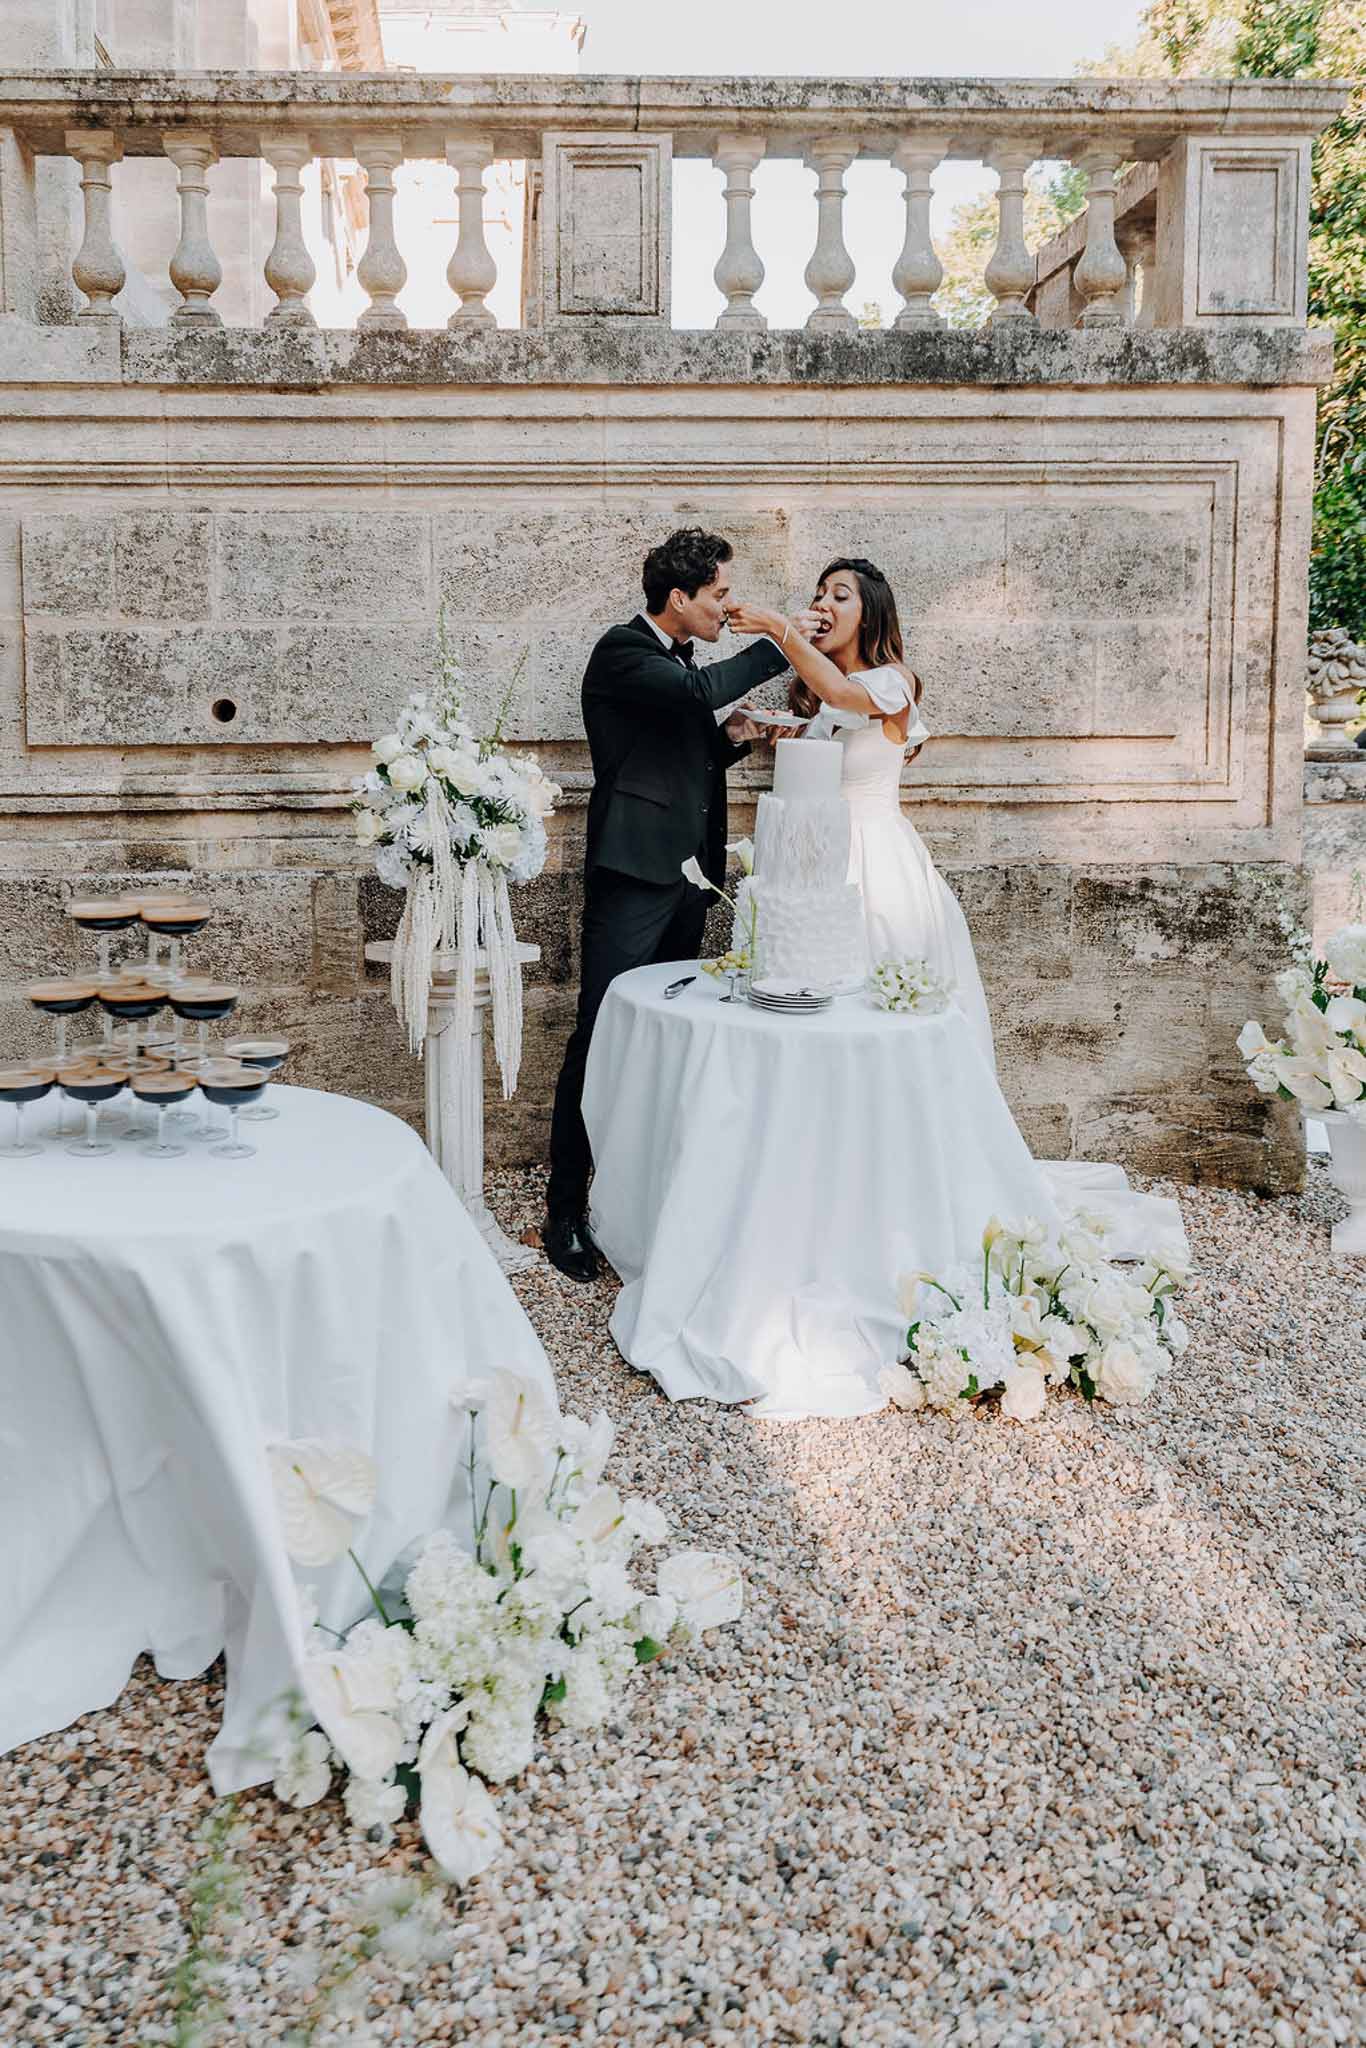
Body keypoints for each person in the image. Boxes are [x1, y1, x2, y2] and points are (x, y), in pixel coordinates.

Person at [543, 527, 795, 1282]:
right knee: (599, 1031)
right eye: (719, 594)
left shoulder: (677, 665)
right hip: (633, 876)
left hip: (689, 877)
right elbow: (691, 696)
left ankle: (645, 1193)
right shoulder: (622, 651)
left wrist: (737, 739)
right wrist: (780, 638)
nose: (727, 607)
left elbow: (679, 748)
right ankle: (565, 1206)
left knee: (671, 1031)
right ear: (678, 598)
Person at [727, 556, 995, 1063]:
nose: (822, 603)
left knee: (875, 997)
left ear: (869, 615)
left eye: (839, 595)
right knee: (803, 998)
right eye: (819, 595)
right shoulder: (817, 703)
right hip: (811, 862)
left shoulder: (895, 682)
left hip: (876, 863)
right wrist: (763, 730)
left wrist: (778, 629)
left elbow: (845, 693)